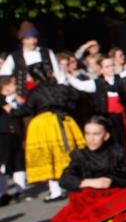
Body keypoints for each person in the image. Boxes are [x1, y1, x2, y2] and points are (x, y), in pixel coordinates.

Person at [49, 116, 126, 222]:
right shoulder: (80, 155)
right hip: (91, 196)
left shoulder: (116, 152)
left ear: (106, 136)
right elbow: (65, 179)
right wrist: (87, 182)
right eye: (87, 134)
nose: (91, 139)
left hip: (114, 191)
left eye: (96, 134)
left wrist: (114, 181)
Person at [17, 66, 85, 202]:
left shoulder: (35, 92)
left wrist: (13, 110)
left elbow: (27, 109)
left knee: (49, 156)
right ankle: (75, 183)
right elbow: (77, 96)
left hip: (43, 124)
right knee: (68, 152)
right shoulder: (60, 87)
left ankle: (56, 191)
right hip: (63, 120)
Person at [0, 21, 65, 98]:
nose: (32, 41)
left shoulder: (47, 52)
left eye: (34, 38)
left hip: (50, 93)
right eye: (28, 39)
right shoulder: (14, 56)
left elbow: (58, 74)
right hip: (26, 97)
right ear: (22, 40)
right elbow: (3, 76)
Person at [0, 76, 26, 201]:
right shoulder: (1, 98)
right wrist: (13, 99)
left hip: (15, 132)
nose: (16, 87)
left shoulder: (11, 99)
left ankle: (20, 190)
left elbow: (23, 108)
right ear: (5, 86)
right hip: (3, 134)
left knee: (18, 161)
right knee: (4, 162)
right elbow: (9, 109)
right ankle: (2, 193)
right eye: (13, 84)